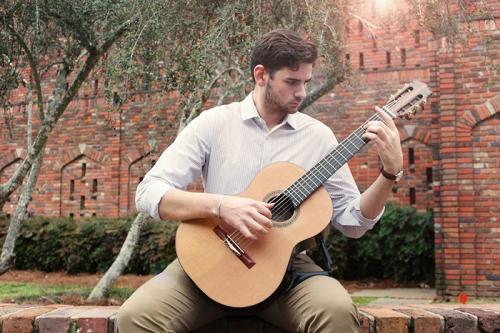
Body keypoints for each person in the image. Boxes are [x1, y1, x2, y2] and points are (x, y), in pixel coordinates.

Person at [117, 29, 403, 333]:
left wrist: (388, 174)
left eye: (306, 82)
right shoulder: (214, 124)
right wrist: (221, 206)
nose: (302, 93)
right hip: (212, 259)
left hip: (287, 272)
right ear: (261, 75)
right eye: (292, 82)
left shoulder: (318, 138)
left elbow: (353, 223)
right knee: (136, 316)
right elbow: (149, 192)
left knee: (336, 311)